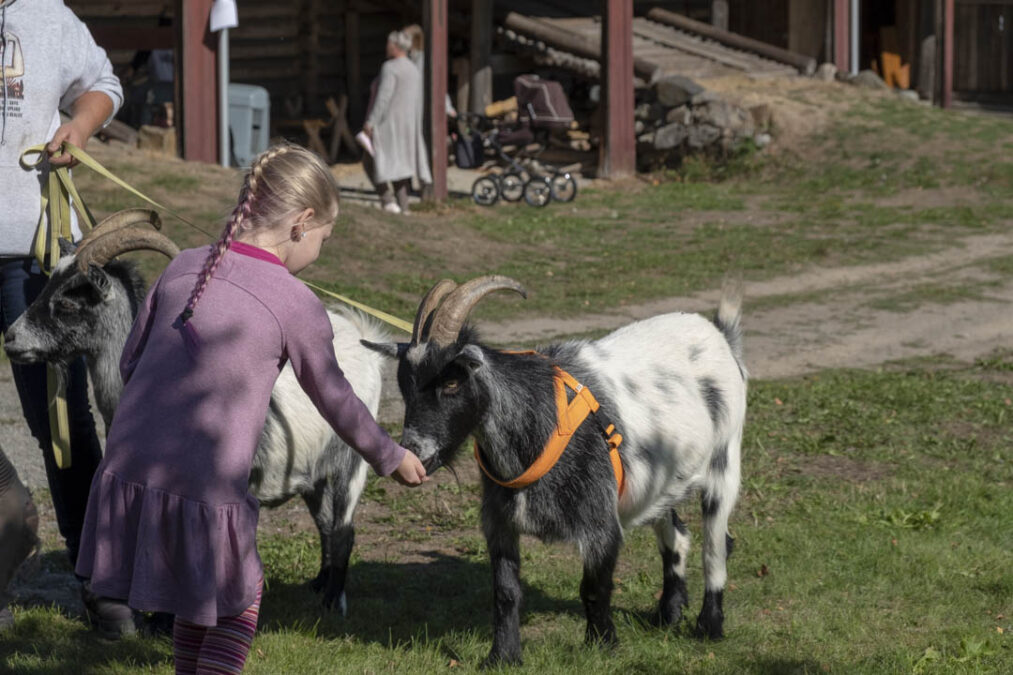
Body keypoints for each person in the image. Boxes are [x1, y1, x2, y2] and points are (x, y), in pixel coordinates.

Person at [74, 143, 428, 673]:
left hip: (127, 470)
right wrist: (390, 455)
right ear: (301, 223)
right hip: (203, 484)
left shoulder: (186, 265)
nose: (321, 253)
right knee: (239, 600)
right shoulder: (294, 301)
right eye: (324, 240)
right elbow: (334, 396)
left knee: (201, 594)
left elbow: (131, 362)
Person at [0, 0, 127, 632]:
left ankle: (101, 578)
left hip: (33, 249)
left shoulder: (47, 13)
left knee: (61, 420)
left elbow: (104, 83)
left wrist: (77, 128)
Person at [361, 30, 431, 215]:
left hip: (388, 125)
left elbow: (383, 98)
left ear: (396, 47)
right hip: (406, 126)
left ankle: (387, 200)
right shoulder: (413, 69)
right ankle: (404, 206)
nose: (386, 47)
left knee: (371, 161)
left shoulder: (390, 68)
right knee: (398, 167)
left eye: (389, 44)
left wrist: (371, 122)